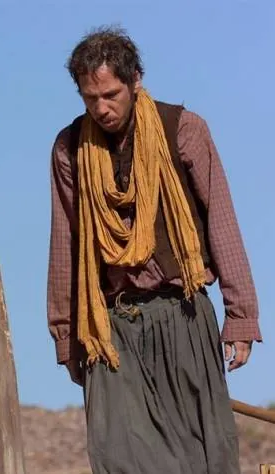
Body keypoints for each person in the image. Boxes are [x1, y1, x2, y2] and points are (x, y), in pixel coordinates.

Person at [46, 26, 262, 473]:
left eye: (110, 95)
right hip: (111, 327)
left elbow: (221, 220)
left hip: (182, 312)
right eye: (90, 98)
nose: (101, 108)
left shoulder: (183, 129)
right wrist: (68, 336)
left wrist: (241, 316)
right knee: (118, 456)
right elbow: (66, 243)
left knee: (201, 455)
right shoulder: (70, 148)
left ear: (135, 81)